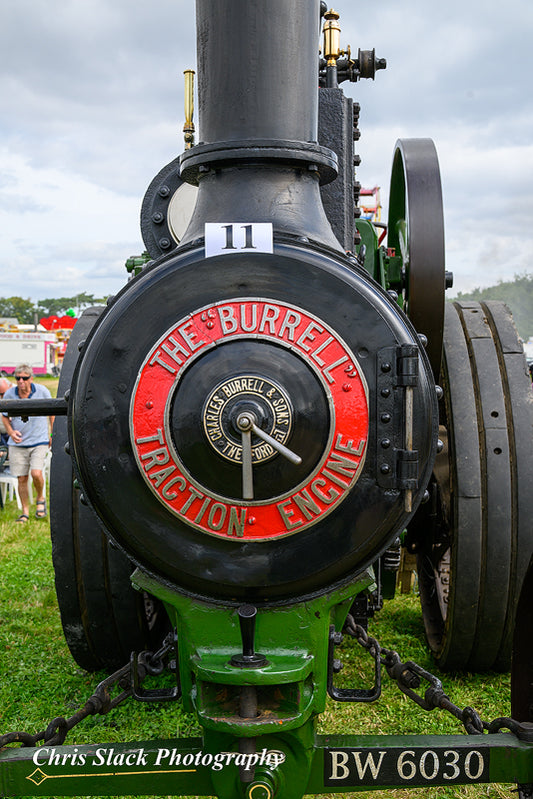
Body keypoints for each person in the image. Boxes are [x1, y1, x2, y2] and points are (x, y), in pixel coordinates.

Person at [1, 364, 54, 523]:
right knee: (21, 479)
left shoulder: (42, 391)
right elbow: (3, 414)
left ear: (31, 378)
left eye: (24, 378)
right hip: (18, 443)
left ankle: (40, 498)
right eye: (18, 378)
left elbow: (52, 411)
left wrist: (52, 433)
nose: (21, 381)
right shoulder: (10, 394)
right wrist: (10, 432)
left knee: (36, 473)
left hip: (39, 440)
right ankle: (25, 512)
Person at [0, 378, 14, 445]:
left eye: (4, 393)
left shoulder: (17, 394)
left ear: (10, 386)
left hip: (16, 433)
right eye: (1, 394)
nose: (3, 396)